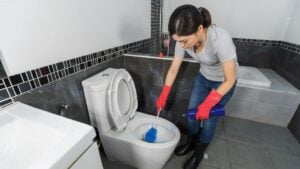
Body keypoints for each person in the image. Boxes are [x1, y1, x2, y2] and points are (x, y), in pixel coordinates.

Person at [156, 5, 238, 169]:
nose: (182, 45)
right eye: (178, 41)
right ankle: (192, 142)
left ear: (200, 29)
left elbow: (230, 79)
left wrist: (208, 104)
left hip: (223, 83)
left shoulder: (219, 39)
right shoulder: (182, 40)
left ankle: (199, 153)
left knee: (208, 120)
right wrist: (163, 94)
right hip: (203, 78)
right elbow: (173, 69)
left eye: (184, 41)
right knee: (192, 115)